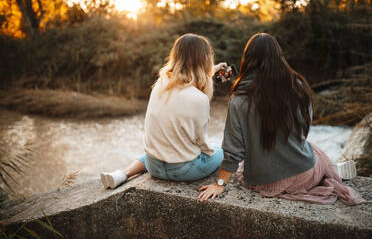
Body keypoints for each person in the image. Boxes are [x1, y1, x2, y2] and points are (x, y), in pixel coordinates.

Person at [197, 33, 366, 205]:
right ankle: (330, 173)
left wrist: (219, 184)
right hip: (303, 172)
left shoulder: (239, 99)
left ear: (247, 59)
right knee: (313, 150)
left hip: (265, 181)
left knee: (246, 166)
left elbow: (233, 151)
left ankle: (327, 173)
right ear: (279, 57)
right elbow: (303, 131)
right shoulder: (298, 87)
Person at [101, 33, 226, 189]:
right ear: (205, 59)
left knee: (159, 149)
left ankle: (122, 174)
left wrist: (213, 70)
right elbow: (203, 145)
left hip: (155, 167)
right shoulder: (199, 99)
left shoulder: (162, 82)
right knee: (221, 148)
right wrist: (215, 150)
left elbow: (189, 75)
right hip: (184, 171)